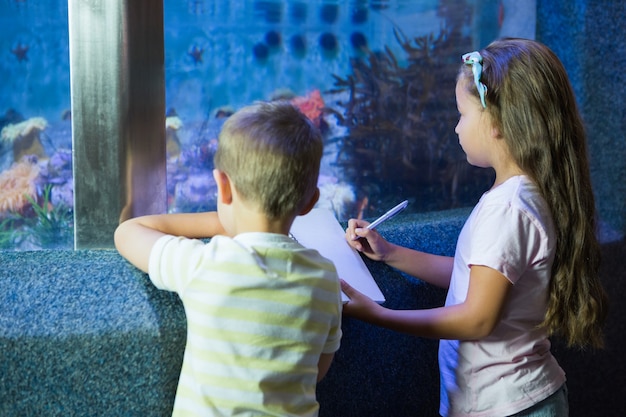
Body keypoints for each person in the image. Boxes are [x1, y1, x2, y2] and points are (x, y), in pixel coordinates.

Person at [341, 38, 608, 417]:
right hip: (512, 400)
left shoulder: (508, 208)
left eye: (462, 114)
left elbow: (477, 317)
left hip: (510, 407)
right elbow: (476, 277)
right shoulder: (523, 193)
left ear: (498, 122)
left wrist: (379, 315)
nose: (455, 128)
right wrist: (389, 253)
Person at [115, 101, 343, 417]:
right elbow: (317, 369)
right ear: (311, 202)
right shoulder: (325, 277)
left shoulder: (206, 265)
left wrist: (222, 221)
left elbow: (128, 231)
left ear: (222, 187)